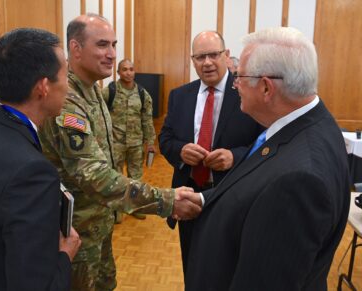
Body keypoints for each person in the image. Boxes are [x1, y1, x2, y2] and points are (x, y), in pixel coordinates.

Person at [38, 14, 201, 291]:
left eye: (113, 45)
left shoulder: (93, 92)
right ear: (75, 49)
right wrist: (166, 201)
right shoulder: (67, 101)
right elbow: (96, 178)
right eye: (102, 45)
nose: (112, 54)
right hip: (77, 234)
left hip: (99, 224)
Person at [185, 27, 350, 290]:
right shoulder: (309, 123)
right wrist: (205, 198)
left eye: (239, 77)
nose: (234, 84)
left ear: (265, 88)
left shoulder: (299, 181)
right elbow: (257, 184)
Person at [0, 28, 82, 291]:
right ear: (43, 87)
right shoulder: (32, 171)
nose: (69, 85)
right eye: (65, 76)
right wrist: (65, 254)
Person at [159, 30, 263, 274]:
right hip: (189, 196)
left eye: (213, 55)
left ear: (226, 56)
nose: (207, 62)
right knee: (192, 266)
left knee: (229, 268)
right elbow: (165, 138)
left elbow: (265, 141)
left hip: (233, 195)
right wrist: (180, 151)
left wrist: (235, 157)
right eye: (200, 57)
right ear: (192, 60)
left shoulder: (249, 92)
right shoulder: (180, 96)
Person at [102, 59, 156, 222]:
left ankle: (134, 208)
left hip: (136, 143)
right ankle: (117, 212)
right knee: (116, 177)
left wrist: (151, 142)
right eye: (124, 69)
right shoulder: (109, 91)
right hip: (115, 143)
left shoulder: (142, 93)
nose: (128, 72)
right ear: (118, 72)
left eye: (131, 69)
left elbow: (147, 119)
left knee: (136, 178)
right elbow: (99, 116)